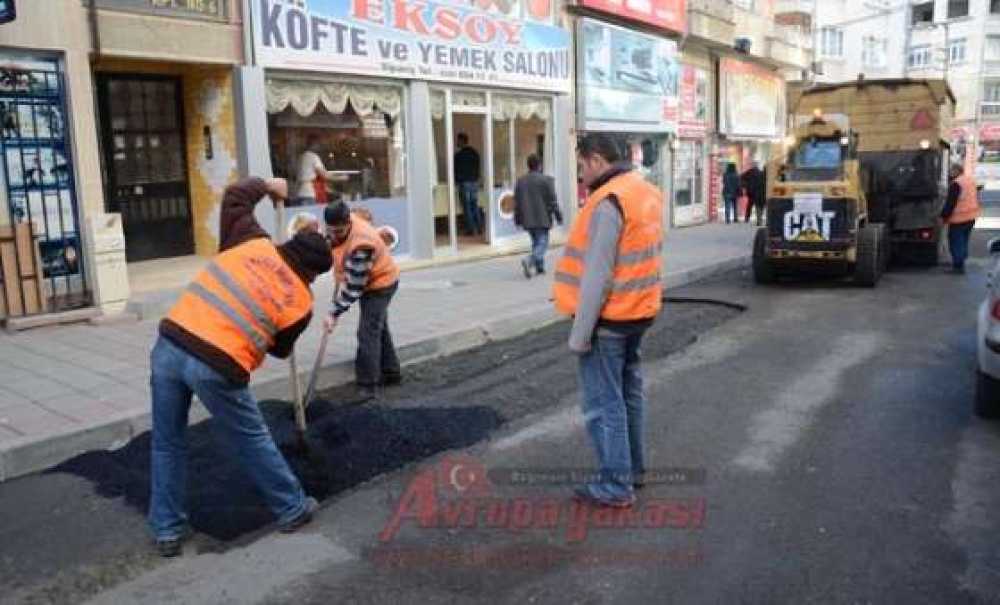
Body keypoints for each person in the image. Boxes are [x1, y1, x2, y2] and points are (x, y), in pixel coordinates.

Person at [150, 177, 332, 557]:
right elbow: (281, 350)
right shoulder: (301, 301)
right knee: (252, 439)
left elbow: (234, 197)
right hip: (217, 364)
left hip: (169, 343)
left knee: (167, 441)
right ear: (315, 276)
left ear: (288, 243)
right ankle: (291, 507)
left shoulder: (251, 239)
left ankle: (166, 530)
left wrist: (270, 186)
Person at [553, 133, 664, 508]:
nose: (580, 174)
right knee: (629, 394)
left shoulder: (607, 202)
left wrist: (579, 336)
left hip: (609, 320)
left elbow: (596, 277)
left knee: (604, 404)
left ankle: (616, 485)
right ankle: (632, 470)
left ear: (597, 160)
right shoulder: (644, 191)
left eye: (581, 166)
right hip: (639, 313)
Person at [323, 201, 401, 402]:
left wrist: (333, 312)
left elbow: (354, 288)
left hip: (381, 283)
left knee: (367, 331)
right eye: (331, 230)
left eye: (339, 231)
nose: (334, 235)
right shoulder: (338, 227)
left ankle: (368, 386)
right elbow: (332, 244)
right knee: (378, 326)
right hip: (369, 280)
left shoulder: (362, 244)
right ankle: (391, 372)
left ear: (348, 222)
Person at [514, 154, 563, 278]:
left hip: (528, 219)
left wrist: (518, 219)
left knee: (536, 242)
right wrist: (558, 216)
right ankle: (530, 260)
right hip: (542, 218)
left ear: (528, 166)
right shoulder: (546, 180)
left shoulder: (521, 181)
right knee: (542, 243)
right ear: (540, 166)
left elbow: (517, 202)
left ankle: (540, 267)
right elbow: (553, 201)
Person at [941, 163, 981, 274]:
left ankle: (958, 266)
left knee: (956, 241)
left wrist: (943, 216)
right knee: (963, 241)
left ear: (957, 171)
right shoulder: (970, 181)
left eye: (951, 170)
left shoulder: (956, 184)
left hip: (959, 218)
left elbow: (951, 203)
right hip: (971, 217)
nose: (950, 172)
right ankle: (960, 263)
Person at [454, 133, 482, 236]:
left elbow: (456, 170)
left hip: (464, 183)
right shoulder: (474, 153)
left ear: (462, 141)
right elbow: (478, 167)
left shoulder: (459, 155)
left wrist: (457, 180)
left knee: (467, 207)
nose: (456, 142)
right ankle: (479, 227)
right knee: (474, 205)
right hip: (474, 183)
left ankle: (471, 229)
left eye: (458, 140)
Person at [295, 135, 330, 206]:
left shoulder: (301, 157)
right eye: (319, 144)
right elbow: (324, 175)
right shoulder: (313, 157)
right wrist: (341, 177)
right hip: (310, 193)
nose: (320, 147)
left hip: (300, 192)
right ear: (315, 144)